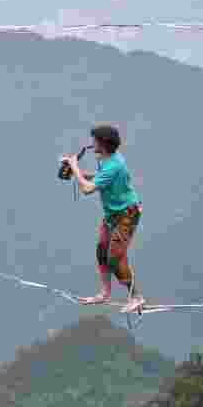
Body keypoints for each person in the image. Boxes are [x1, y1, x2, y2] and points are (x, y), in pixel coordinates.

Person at [62, 124, 145, 314]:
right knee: (101, 251)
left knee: (115, 257)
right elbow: (100, 178)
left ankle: (136, 297)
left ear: (103, 144)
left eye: (95, 141)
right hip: (112, 214)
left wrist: (75, 167)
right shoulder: (107, 159)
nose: (92, 144)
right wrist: (77, 172)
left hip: (127, 214)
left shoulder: (114, 164)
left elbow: (87, 189)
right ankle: (105, 293)